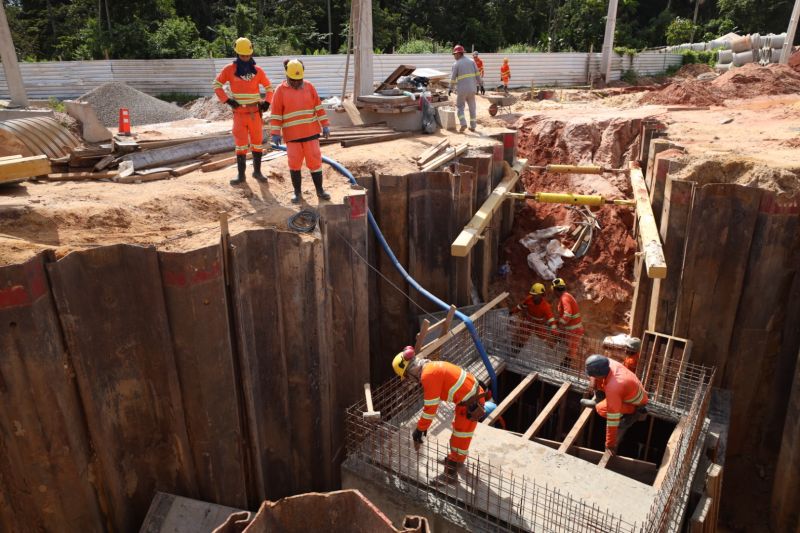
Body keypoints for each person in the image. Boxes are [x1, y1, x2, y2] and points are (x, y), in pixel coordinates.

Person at [392, 346, 487, 484]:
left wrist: (420, 429)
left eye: (406, 377)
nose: (409, 380)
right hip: (469, 397)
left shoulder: (428, 375)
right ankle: (457, 460)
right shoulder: (430, 366)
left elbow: (430, 409)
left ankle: (450, 474)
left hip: (472, 404)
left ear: (410, 370)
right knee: (460, 433)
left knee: (460, 436)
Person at [213, 37, 274, 186]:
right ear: (237, 54)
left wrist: (267, 102)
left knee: (257, 143)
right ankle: (241, 176)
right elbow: (217, 85)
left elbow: (269, 88)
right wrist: (227, 100)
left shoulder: (258, 71)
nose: (246, 58)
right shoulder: (229, 69)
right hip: (239, 114)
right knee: (240, 145)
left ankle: (257, 172)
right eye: (243, 55)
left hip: (255, 114)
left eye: (248, 55)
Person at [270, 58, 331, 203]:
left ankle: (320, 190)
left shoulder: (309, 87)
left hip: (311, 133)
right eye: (293, 80)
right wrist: (275, 132)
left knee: (315, 162)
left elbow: (318, 107)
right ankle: (297, 193)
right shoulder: (280, 91)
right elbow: (276, 113)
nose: (296, 83)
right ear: (287, 75)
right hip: (292, 136)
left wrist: (325, 124)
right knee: (294, 164)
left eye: (299, 79)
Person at [582, 355, 648, 455]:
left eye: (593, 375)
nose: (591, 376)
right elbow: (595, 372)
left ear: (599, 373)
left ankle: (633, 413)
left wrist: (610, 445)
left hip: (634, 402)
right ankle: (600, 400)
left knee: (601, 409)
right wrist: (593, 381)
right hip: (628, 389)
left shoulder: (614, 388)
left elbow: (612, 420)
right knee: (599, 382)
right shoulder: (606, 362)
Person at [552, 278, 584, 369]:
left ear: (555, 290)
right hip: (572, 329)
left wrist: (559, 325)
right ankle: (561, 368)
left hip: (574, 330)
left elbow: (567, 314)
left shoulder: (564, 298)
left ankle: (562, 370)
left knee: (570, 351)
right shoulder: (566, 296)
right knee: (569, 350)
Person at [449, 44, 481, 132]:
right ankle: (473, 126)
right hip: (472, 89)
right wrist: (481, 85)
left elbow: (453, 78)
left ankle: (463, 124)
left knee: (460, 107)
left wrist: (450, 88)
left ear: (459, 54)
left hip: (462, 90)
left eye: (454, 54)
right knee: (472, 108)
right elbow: (477, 74)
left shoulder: (456, 64)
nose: (454, 56)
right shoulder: (472, 61)